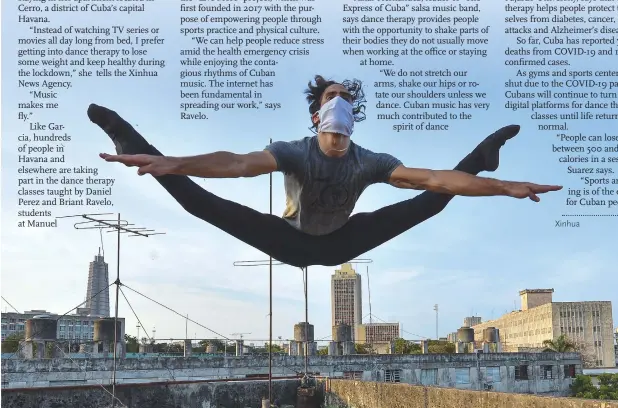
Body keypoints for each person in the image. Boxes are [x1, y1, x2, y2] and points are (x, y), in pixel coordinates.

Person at [87, 75, 561, 268]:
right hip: (287, 238)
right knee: (199, 203)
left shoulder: (370, 161)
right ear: (316, 115)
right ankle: (131, 140)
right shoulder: (293, 151)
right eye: (329, 99)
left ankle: (483, 155)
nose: (338, 105)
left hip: (342, 243)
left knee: (429, 205)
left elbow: (436, 180)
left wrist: (500, 187)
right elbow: (237, 164)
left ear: (354, 115)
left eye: (346, 100)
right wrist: (173, 163)